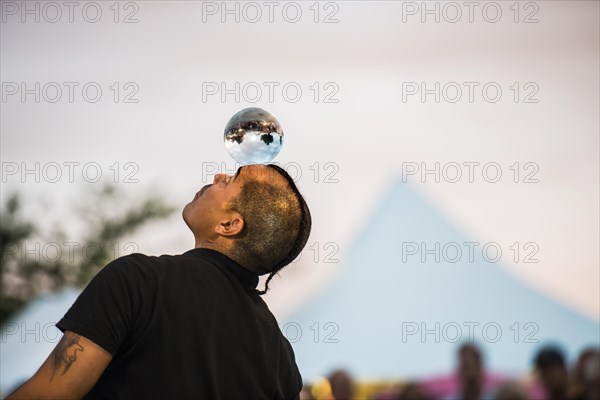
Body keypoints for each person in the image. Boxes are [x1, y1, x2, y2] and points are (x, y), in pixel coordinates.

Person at [6, 164, 312, 400]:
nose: (219, 175)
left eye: (231, 180)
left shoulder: (138, 280)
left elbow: (48, 395)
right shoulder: (280, 357)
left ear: (229, 225)